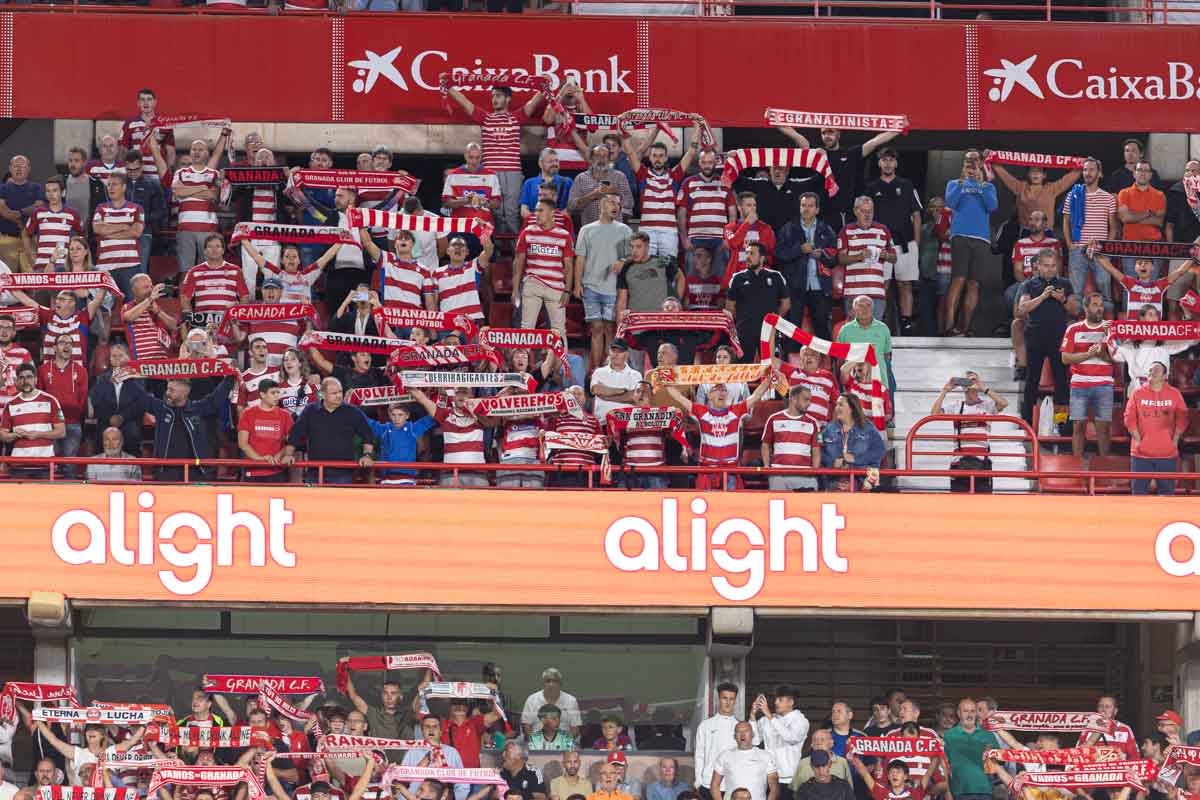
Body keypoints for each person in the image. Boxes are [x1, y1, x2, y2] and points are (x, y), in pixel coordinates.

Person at [445, 84, 544, 235]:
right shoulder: (485, 118)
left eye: (498, 96)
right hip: (490, 174)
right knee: (494, 213)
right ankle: (495, 251)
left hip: (513, 172)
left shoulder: (516, 117)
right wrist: (448, 87)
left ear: (508, 99)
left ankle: (514, 251)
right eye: (492, 96)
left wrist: (544, 87)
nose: (494, 99)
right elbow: (465, 102)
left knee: (512, 212)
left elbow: (533, 102)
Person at [666, 376, 775, 491]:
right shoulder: (701, 411)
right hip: (707, 472)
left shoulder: (736, 411)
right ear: (709, 396)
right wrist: (666, 382)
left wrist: (767, 381)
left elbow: (756, 396)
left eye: (723, 390)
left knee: (729, 508)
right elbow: (678, 397)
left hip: (730, 472)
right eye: (716, 389)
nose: (721, 392)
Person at [865, 148, 923, 334]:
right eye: (884, 160)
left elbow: (916, 215)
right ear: (879, 163)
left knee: (905, 283)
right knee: (882, 284)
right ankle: (877, 320)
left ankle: (906, 322)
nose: (888, 163)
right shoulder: (871, 188)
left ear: (896, 163)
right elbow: (865, 215)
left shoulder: (907, 185)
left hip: (905, 242)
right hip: (879, 244)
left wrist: (916, 243)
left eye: (891, 160)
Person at [282, 377, 377, 485]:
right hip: (315, 471)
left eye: (340, 392)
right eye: (334, 393)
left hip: (343, 472)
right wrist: (288, 454)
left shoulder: (352, 412)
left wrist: (367, 455)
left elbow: (368, 435)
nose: (339, 396)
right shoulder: (310, 411)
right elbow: (296, 433)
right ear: (323, 394)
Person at [575, 194, 632, 369]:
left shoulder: (624, 230)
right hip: (591, 286)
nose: (616, 206)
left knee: (609, 329)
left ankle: (610, 368)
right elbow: (580, 258)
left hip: (613, 288)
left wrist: (623, 261)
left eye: (618, 203)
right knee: (596, 328)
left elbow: (632, 255)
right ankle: (596, 368)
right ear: (601, 205)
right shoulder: (587, 229)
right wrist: (577, 284)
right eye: (612, 203)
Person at [1016, 249, 1072, 423]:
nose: (1050, 269)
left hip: (1059, 338)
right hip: (1035, 337)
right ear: (1037, 266)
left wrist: (1062, 299)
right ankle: (1027, 421)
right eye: (1046, 266)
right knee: (1032, 380)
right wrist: (1043, 296)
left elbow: (1076, 309)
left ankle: (1061, 422)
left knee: (1061, 381)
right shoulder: (1028, 285)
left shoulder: (1065, 283)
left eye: (1053, 266)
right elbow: (1022, 308)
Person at [944, 157, 998, 336]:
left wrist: (981, 184)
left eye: (974, 166)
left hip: (981, 238)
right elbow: (951, 202)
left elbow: (992, 206)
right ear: (963, 166)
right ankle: (949, 326)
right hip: (960, 236)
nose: (971, 168)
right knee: (958, 280)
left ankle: (966, 327)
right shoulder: (953, 183)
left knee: (974, 284)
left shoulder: (988, 186)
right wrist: (962, 182)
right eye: (968, 165)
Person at [776, 192, 839, 342]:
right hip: (795, 287)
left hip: (820, 287)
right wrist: (799, 250)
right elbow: (779, 255)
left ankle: (826, 363)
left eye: (810, 206)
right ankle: (790, 363)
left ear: (817, 209)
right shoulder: (788, 229)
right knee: (792, 331)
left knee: (822, 329)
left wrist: (822, 255)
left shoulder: (826, 230)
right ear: (799, 208)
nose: (806, 209)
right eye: (803, 205)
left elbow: (835, 257)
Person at [931, 370, 1007, 493]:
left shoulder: (986, 405)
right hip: (959, 462)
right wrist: (945, 391)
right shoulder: (956, 405)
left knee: (983, 503)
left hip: (982, 462)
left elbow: (1003, 403)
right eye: (967, 381)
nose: (970, 384)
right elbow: (934, 414)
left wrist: (984, 388)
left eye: (973, 380)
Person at [625, 130, 697, 259]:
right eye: (654, 155)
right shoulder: (643, 174)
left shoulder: (674, 175)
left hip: (669, 231)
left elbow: (691, 152)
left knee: (669, 268)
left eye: (661, 155)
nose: (657, 159)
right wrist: (622, 135)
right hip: (647, 230)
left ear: (666, 158)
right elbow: (631, 153)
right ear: (650, 157)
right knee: (646, 269)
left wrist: (697, 126)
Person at [1061, 292, 1114, 458]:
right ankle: (1077, 465)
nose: (1099, 309)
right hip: (1079, 384)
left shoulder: (1110, 329)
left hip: (1104, 384)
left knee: (1104, 428)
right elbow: (1065, 358)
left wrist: (1101, 355)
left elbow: (1116, 359)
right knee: (1078, 426)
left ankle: (1104, 467)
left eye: (1101, 305)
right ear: (1085, 307)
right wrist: (1087, 355)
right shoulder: (1073, 329)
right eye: (1095, 305)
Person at [1124, 360, 1188, 495]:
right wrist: (1138, 440)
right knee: (1138, 494)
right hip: (1140, 454)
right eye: (1150, 370)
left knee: (1166, 494)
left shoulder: (1175, 394)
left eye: (1156, 369)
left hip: (1167, 453)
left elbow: (1182, 419)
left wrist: (1175, 440)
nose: (1152, 372)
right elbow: (1129, 418)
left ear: (1166, 375)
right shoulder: (1137, 393)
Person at [1062, 158, 1118, 311]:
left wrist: (1106, 247)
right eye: (1085, 170)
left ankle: (1107, 327)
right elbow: (1066, 221)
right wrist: (1069, 245)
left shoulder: (1109, 198)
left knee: (1104, 288)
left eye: (1092, 170)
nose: (1087, 173)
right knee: (1075, 292)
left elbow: (1113, 227)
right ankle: (1074, 328)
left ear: (1099, 173)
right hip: (1078, 249)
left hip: (1100, 251)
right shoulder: (1073, 195)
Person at [514, 198, 574, 337]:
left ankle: (558, 359)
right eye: (536, 210)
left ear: (552, 213)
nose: (537, 214)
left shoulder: (564, 235)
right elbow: (518, 262)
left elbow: (569, 265)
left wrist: (567, 290)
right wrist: (515, 289)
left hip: (556, 287)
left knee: (559, 331)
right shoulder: (527, 232)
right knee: (526, 329)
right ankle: (523, 359)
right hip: (532, 283)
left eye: (541, 210)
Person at [727, 242, 789, 363]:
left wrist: (774, 320)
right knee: (743, 368)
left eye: (752, 253)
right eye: (747, 253)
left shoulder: (776, 276)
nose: (748, 257)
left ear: (762, 258)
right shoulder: (737, 278)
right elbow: (729, 307)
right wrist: (743, 321)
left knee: (771, 367)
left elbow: (785, 304)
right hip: (744, 331)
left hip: (769, 331)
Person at [836, 196, 895, 324]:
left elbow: (894, 258)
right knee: (854, 332)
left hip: (877, 292)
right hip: (853, 292)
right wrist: (859, 256)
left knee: (875, 331)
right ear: (855, 211)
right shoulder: (846, 230)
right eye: (863, 211)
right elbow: (840, 259)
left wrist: (886, 255)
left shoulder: (883, 230)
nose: (867, 215)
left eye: (870, 211)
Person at [677, 150, 736, 277]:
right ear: (699, 163)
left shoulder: (725, 182)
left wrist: (728, 238)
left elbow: (732, 212)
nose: (707, 165)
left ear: (715, 163)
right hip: (695, 238)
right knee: (692, 278)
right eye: (703, 162)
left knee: (721, 278)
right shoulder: (688, 182)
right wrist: (684, 239)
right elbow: (681, 213)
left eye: (710, 162)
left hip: (720, 239)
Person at [0, 363, 65, 474]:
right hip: (18, 464)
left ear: (35, 379)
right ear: (17, 381)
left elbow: (61, 432)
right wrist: (17, 435)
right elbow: (2, 435)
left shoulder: (51, 400)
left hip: (45, 462)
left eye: (29, 377)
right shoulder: (10, 404)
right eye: (21, 378)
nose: (25, 381)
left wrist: (38, 434)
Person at [36, 333, 88, 471]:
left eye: (70, 344)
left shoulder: (81, 371)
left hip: (72, 424)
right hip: (49, 426)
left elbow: (82, 399)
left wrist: (74, 413)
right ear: (54, 348)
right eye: (62, 342)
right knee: (48, 465)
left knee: (69, 467)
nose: (67, 346)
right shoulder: (43, 370)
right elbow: (39, 396)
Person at [92, 172, 146, 299]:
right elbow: (97, 228)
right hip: (105, 266)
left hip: (130, 266)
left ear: (124, 187)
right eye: (108, 185)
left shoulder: (136, 209)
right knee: (105, 307)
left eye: (114, 184)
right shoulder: (101, 208)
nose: (110, 188)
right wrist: (123, 227)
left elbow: (136, 232)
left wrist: (108, 232)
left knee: (132, 304)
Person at [752, 686, 810, 800]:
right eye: (776, 699)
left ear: (791, 702)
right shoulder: (767, 719)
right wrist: (753, 715)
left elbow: (790, 737)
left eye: (780, 700)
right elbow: (755, 740)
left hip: (789, 779)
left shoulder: (800, 720)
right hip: (768, 776)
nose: (775, 702)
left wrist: (769, 715)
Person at [761, 386, 822, 492]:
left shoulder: (814, 423)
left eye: (810, 400)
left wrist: (815, 471)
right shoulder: (773, 419)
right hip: (778, 473)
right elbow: (765, 444)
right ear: (793, 399)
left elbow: (816, 449)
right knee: (778, 507)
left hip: (805, 475)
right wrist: (766, 466)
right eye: (805, 399)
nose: (809, 403)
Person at [837, 296, 895, 404]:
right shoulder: (845, 330)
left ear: (873, 309)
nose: (865, 309)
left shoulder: (883, 328)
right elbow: (840, 359)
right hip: (853, 384)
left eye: (868, 306)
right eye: (860, 306)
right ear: (854, 309)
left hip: (879, 382)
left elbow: (886, 355)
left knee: (881, 418)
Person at [617, 231, 686, 319]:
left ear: (647, 247)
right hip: (638, 322)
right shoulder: (626, 268)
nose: (634, 251)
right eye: (631, 247)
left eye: (638, 247)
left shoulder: (661, 261)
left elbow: (680, 277)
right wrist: (620, 324)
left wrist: (676, 301)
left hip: (661, 321)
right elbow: (622, 301)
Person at [821, 395, 885, 491]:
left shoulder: (868, 428)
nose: (836, 408)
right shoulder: (829, 428)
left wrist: (855, 459)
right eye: (836, 405)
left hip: (862, 482)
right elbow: (821, 451)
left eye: (841, 405)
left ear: (852, 409)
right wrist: (832, 463)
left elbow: (879, 451)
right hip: (834, 481)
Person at [237, 378, 293, 483]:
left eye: (278, 392)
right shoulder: (248, 413)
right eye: (273, 393)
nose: (277, 396)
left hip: (277, 472)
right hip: (252, 472)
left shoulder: (285, 415)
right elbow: (243, 443)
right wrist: (260, 459)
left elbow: (291, 442)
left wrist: (279, 455)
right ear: (262, 395)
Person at [568, 145, 634, 228]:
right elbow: (571, 206)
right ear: (591, 159)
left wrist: (616, 192)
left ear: (609, 159)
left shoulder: (620, 176)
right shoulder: (581, 178)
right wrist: (592, 195)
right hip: (590, 229)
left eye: (604, 156)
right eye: (597, 156)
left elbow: (629, 203)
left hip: (614, 229)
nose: (601, 159)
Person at [711, 720, 780, 800]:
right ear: (734, 736)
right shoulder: (724, 756)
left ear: (753, 734)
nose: (742, 734)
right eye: (738, 732)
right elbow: (714, 785)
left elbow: (774, 787)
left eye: (746, 731)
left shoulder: (766, 756)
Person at [695, 683, 741, 795]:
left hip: (733, 785)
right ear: (718, 699)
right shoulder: (705, 725)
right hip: (707, 783)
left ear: (735, 701)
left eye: (731, 699)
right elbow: (699, 754)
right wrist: (698, 781)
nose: (728, 702)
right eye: (724, 698)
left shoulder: (740, 727)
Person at [942, 699, 992, 800]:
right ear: (959, 713)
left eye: (972, 711)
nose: (969, 715)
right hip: (959, 791)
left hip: (985, 790)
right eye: (965, 711)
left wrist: (991, 755)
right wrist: (947, 792)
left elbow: (1000, 762)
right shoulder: (948, 736)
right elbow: (943, 766)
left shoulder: (988, 735)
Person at [520, 668, 581, 740]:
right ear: (543, 683)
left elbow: (575, 729)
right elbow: (527, 727)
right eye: (548, 681)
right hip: (538, 744)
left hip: (564, 744)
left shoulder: (571, 701)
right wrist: (536, 742)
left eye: (555, 681)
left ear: (560, 684)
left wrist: (565, 743)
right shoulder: (531, 700)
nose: (551, 684)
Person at [848, 758, 922, 800]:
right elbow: (865, 774)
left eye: (898, 772)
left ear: (905, 776)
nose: (894, 774)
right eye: (892, 772)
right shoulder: (881, 792)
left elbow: (928, 774)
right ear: (888, 777)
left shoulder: (915, 793)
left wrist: (934, 758)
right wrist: (853, 758)